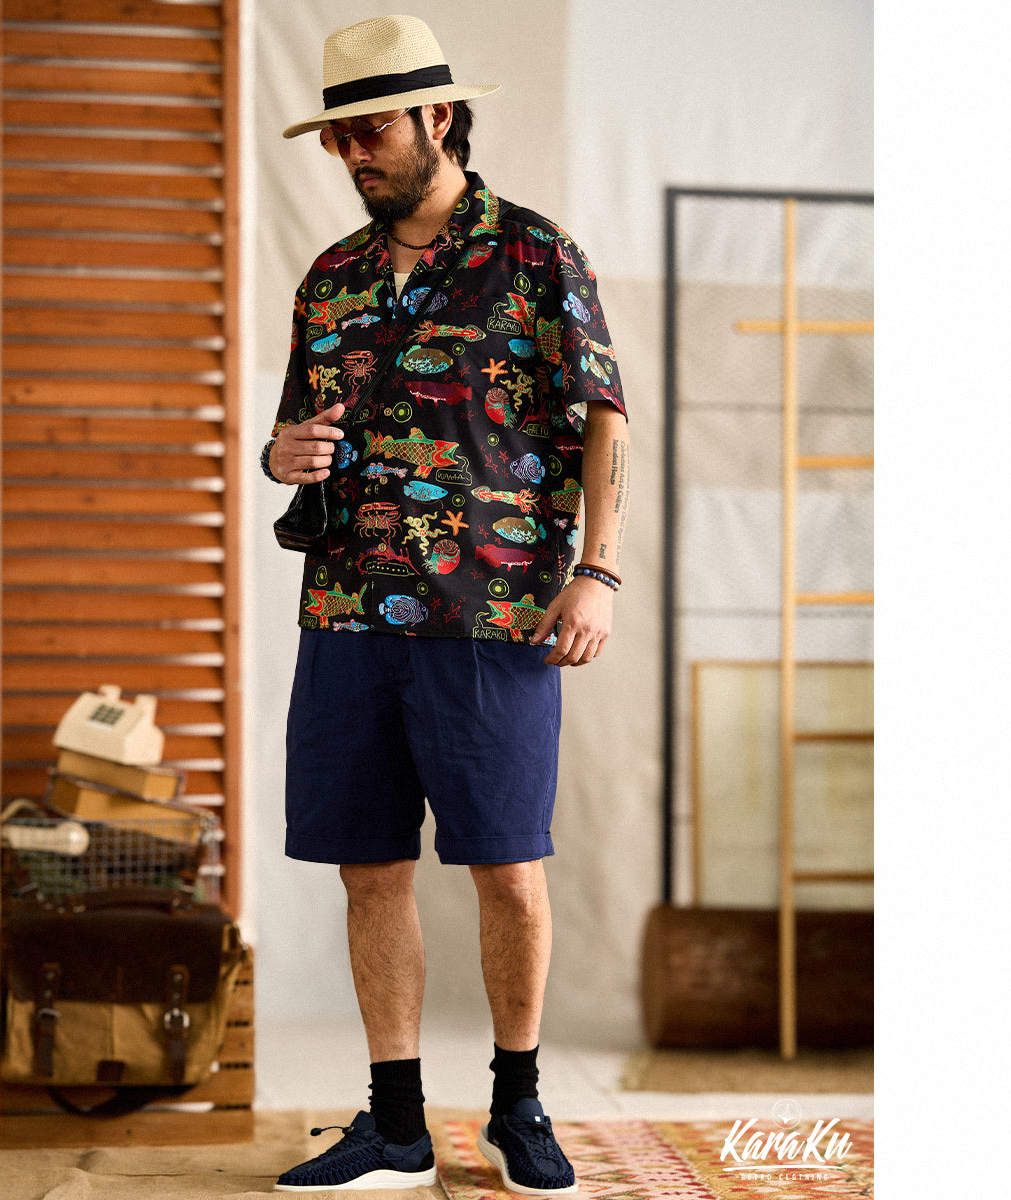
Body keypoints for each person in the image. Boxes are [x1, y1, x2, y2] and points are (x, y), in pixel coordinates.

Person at [262, 15, 631, 1195]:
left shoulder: (536, 254)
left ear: (439, 116)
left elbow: (604, 418)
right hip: (346, 614)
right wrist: (279, 456)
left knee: (508, 866)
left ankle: (520, 1108)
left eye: (370, 129)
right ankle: (396, 1124)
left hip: (492, 616)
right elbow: (295, 432)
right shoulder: (332, 278)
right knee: (366, 868)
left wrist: (598, 570)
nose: (353, 153)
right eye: (338, 139)